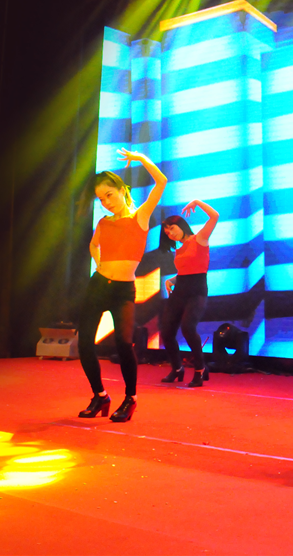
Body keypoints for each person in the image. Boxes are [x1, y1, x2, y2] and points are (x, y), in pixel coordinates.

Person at [78, 149, 167, 422]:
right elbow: (93, 245)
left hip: (123, 291)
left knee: (124, 343)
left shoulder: (139, 217)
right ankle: (100, 396)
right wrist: (99, 263)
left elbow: (161, 182)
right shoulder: (103, 223)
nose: (106, 202)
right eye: (100, 199)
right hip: (98, 286)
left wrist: (141, 159)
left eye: (109, 195)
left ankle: (130, 398)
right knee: (85, 343)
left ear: (122, 190)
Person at [159, 199, 219, 388]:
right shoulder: (179, 249)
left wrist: (197, 202)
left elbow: (215, 216)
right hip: (180, 291)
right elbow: (186, 271)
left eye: (172, 228)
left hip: (197, 292)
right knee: (166, 331)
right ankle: (177, 368)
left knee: (188, 327)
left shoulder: (199, 238)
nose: (170, 233)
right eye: (167, 232)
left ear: (181, 225)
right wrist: (172, 280)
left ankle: (200, 369)